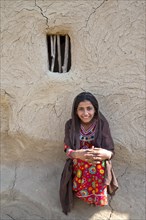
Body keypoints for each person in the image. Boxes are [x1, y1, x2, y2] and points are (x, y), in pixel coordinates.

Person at [59, 92, 118, 215]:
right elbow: (67, 148)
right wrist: (76, 154)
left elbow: (110, 150)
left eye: (89, 108)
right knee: (82, 165)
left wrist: (105, 154)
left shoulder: (102, 124)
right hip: (78, 161)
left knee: (98, 165)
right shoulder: (70, 125)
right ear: (76, 111)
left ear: (95, 110)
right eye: (81, 109)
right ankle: (82, 193)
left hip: (97, 161)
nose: (85, 113)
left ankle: (95, 197)